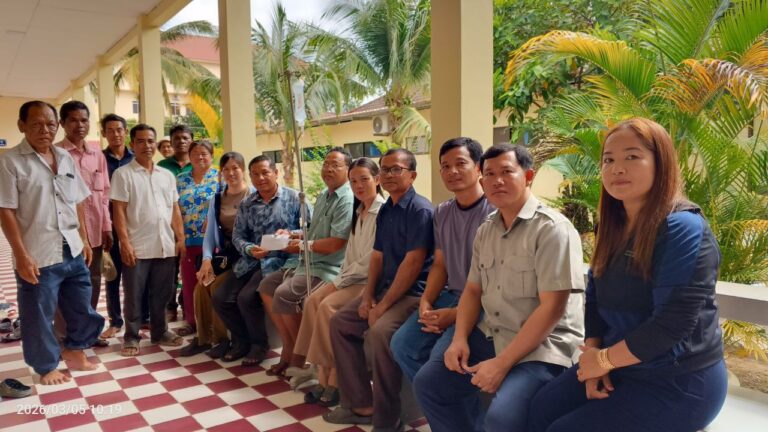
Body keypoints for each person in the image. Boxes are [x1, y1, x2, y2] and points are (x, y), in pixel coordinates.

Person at [528, 118, 727, 432]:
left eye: (632, 157)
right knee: (541, 408)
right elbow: (594, 298)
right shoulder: (612, 224)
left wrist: (604, 361)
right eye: (608, 160)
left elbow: (671, 325)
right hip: (620, 363)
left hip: (677, 380)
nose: (617, 168)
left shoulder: (682, 227)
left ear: (661, 163)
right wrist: (594, 358)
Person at [412, 144, 585, 432]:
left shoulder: (552, 229)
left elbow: (553, 308)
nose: (497, 181)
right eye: (489, 174)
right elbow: (472, 291)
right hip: (494, 333)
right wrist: (459, 339)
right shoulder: (487, 229)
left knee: (502, 417)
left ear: (528, 176)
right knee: (431, 384)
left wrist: (501, 363)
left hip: (543, 345)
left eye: (506, 172)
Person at [324, 148, 434, 432]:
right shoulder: (387, 210)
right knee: (340, 323)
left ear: (412, 175)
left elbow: (413, 263)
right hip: (386, 290)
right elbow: (377, 256)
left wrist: (382, 307)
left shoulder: (420, 210)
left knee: (381, 331)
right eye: (385, 169)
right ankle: (361, 404)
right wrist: (368, 297)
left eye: (396, 169)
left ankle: (388, 419)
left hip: (413, 294)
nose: (388, 174)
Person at [0, 101, 104, 384]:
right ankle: (46, 366)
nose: (44, 130)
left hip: (71, 247)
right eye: (36, 124)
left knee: (81, 305)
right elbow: (5, 210)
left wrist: (84, 238)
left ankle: (75, 350)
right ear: (22, 126)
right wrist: (21, 255)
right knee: (38, 313)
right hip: (38, 252)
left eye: (50, 124)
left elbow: (77, 200)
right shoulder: (10, 161)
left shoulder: (64, 156)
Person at [391, 137, 495, 381]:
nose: (452, 171)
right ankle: (439, 399)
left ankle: (447, 398)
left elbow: (495, 283)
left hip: (484, 301)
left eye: (460, 164)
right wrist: (426, 301)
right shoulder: (442, 212)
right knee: (401, 345)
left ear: (478, 167)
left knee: (442, 361)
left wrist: (456, 314)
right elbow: (440, 264)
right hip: (451, 294)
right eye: (445, 166)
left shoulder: (494, 211)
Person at [297, 157, 386, 407]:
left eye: (364, 179)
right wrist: (339, 280)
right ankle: (321, 372)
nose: (359, 186)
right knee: (313, 300)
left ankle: (334, 380)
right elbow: (349, 257)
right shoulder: (359, 211)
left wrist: (339, 282)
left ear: (377, 179)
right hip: (350, 277)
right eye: (354, 181)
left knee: (327, 307)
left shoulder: (382, 212)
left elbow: (371, 260)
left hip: (369, 282)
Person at [259, 147, 354, 376]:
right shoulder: (324, 195)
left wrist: (301, 246)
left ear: (348, 170)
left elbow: (336, 243)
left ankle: (301, 356)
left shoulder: (347, 199)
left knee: (284, 294)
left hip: (327, 267)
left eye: (335, 165)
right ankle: (289, 345)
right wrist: (292, 234)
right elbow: (314, 231)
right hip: (306, 262)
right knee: (266, 286)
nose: (328, 169)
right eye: (326, 164)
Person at [212, 155, 305, 365]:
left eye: (265, 173)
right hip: (251, 260)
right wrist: (249, 248)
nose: (260, 178)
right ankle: (241, 341)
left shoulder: (294, 198)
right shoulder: (247, 203)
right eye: (255, 174)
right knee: (221, 298)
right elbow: (237, 236)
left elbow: (310, 228)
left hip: (280, 261)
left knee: (246, 298)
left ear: (276, 173)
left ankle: (259, 344)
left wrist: (290, 234)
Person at [110, 124, 186, 357]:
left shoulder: (167, 175)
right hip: (138, 246)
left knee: (162, 293)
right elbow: (119, 211)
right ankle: (132, 337)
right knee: (134, 295)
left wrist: (180, 238)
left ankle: (160, 331)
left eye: (151, 141)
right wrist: (125, 243)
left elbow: (174, 209)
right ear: (132, 145)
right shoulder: (123, 174)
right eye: (141, 141)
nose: (147, 146)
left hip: (165, 245)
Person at [181, 152, 254, 357]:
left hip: (247, 257)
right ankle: (203, 338)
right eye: (226, 169)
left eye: (235, 168)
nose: (231, 173)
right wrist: (206, 260)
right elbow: (210, 234)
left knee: (216, 287)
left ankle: (222, 339)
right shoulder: (218, 198)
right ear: (221, 173)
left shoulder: (252, 195)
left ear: (243, 170)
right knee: (201, 286)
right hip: (227, 256)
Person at [55, 101, 112, 312]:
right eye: (73, 120)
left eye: (84, 120)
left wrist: (106, 226)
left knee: (93, 278)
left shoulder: (97, 155)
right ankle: (68, 327)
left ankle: (89, 324)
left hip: (95, 231)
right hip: (66, 233)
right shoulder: (55, 153)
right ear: (62, 123)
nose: (80, 125)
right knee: (67, 282)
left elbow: (104, 194)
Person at [100, 113, 151, 340]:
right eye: (110, 130)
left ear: (125, 132)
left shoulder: (137, 157)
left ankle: (144, 317)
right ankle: (115, 321)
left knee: (140, 275)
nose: (115, 134)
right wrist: (105, 227)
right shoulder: (100, 160)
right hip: (110, 227)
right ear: (104, 134)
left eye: (119, 129)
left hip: (138, 228)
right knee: (113, 275)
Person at [175, 140, 219, 337]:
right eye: (195, 154)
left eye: (204, 153)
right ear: (189, 156)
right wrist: (179, 236)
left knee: (212, 282)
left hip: (214, 240)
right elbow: (174, 208)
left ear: (211, 156)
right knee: (189, 281)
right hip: (187, 240)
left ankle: (213, 322)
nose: (200, 157)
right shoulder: (180, 179)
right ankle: (192, 321)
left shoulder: (219, 177)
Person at [158, 124, 193, 322]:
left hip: (194, 227)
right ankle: (169, 307)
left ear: (191, 140)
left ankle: (187, 304)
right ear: (171, 142)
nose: (181, 141)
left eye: (185, 138)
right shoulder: (162, 166)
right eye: (177, 138)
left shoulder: (198, 163)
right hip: (168, 226)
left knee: (189, 268)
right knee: (169, 270)